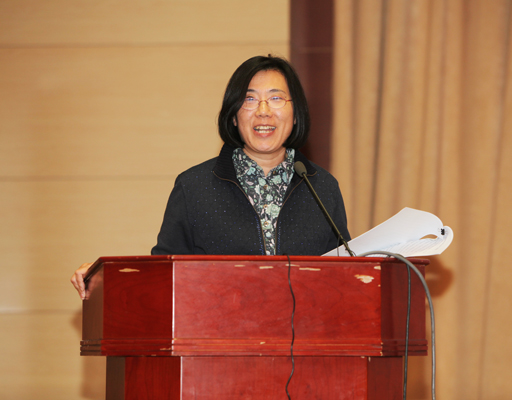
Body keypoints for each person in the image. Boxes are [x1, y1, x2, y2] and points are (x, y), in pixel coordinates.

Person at [71, 55, 350, 299]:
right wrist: (104, 278)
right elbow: (162, 276)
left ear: (296, 113)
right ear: (233, 116)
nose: (263, 111)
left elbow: (344, 278)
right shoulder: (194, 187)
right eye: (250, 99)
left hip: (305, 340)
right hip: (217, 338)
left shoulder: (322, 187)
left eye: (276, 98)